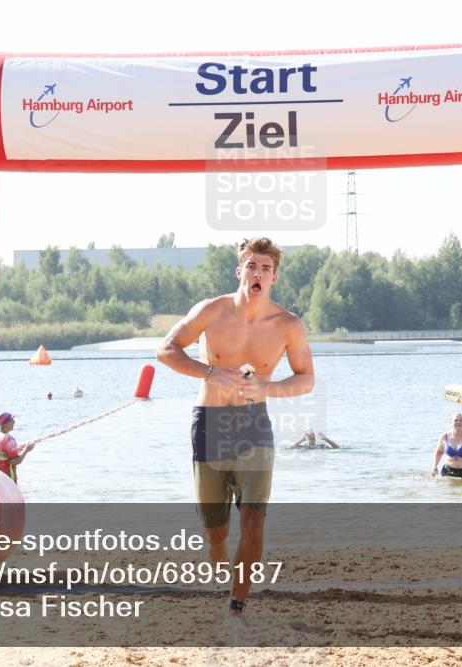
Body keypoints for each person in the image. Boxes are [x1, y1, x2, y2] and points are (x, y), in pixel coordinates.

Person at [156, 236, 315, 622]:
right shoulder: (213, 310)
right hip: (209, 422)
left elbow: (306, 378)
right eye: (252, 266)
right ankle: (217, 553)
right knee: (215, 531)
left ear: (274, 277)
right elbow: (166, 349)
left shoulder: (287, 325)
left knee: (254, 519)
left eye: (265, 268)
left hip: (253, 424)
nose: (257, 273)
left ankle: (237, 606)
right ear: (239, 270)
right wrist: (208, 370)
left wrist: (268, 388)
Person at [0, 412, 35, 484]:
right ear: (6, 423)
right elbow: (16, 461)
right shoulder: (9, 440)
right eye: (12, 420)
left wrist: (22, 447)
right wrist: (27, 449)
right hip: (9, 479)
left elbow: (4, 452)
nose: (14, 422)